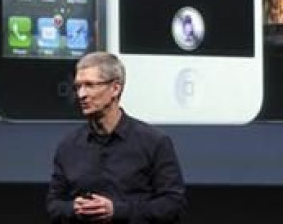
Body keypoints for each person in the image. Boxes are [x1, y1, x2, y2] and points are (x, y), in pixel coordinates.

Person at [46, 52, 187, 223]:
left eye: (90, 85)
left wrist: (118, 211)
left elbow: (173, 204)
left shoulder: (154, 142)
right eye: (78, 86)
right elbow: (53, 204)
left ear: (115, 88)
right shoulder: (68, 146)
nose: (81, 94)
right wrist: (73, 208)